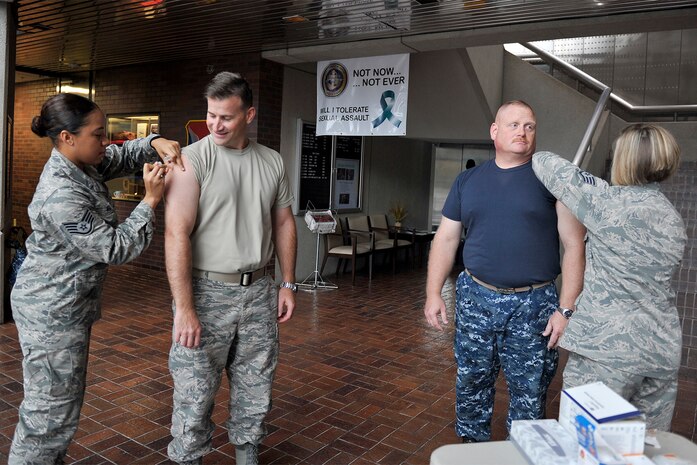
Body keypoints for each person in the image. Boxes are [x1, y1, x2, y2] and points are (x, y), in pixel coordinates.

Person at [8, 93, 183, 464]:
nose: (106, 142)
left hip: (66, 307)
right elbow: (117, 248)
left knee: (62, 405)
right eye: (98, 134)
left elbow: (120, 155)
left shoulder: (84, 164)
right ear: (68, 137)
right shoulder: (61, 194)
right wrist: (150, 200)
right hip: (50, 314)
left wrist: (153, 142)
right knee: (48, 414)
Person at [423, 100, 586, 442]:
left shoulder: (551, 182)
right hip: (475, 299)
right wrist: (433, 293)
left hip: (534, 305)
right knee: (471, 385)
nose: (523, 132)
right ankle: (471, 454)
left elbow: (574, 245)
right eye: (513, 125)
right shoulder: (467, 181)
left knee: (529, 396)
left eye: (529, 126)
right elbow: (447, 238)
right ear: (494, 132)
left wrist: (565, 309)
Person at [164, 72, 297, 465]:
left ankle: (247, 454)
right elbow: (175, 234)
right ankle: (188, 458)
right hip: (206, 292)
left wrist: (288, 283)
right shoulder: (192, 161)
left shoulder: (271, 160)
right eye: (211, 115)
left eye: (226, 117)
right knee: (194, 391)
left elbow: (285, 223)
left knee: (256, 383)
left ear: (249, 115)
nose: (216, 125)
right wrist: (184, 308)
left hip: (259, 290)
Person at [532, 124, 686, 430]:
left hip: (606, 353)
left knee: (585, 448)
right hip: (660, 354)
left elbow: (543, 161)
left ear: (623, 160)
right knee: (642, 450)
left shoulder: (605, 203)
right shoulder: (672, 217)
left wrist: (587, 181)